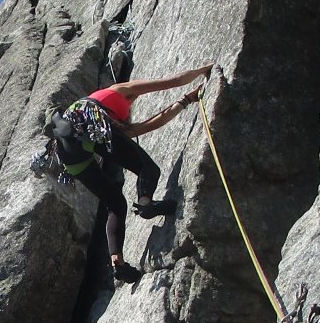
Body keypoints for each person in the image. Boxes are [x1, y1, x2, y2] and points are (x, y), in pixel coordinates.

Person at [43, 64, 213, 283]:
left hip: (68, 155)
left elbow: (149, 125)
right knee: (147, 169)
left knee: (116, 204)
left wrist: (187, 100)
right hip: (89, 126)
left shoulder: (103, 120)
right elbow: (175, 81)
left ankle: (118, 263)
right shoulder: (118, 91)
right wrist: (206, 69)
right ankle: (145, 203)